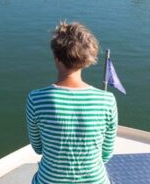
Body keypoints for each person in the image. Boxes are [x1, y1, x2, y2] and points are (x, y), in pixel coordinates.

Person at [26, 22, 118, 184]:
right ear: (87, 60)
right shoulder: (107, 100)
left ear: (56, 57)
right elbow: (106, 154)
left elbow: (38, 148)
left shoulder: (36, 99)